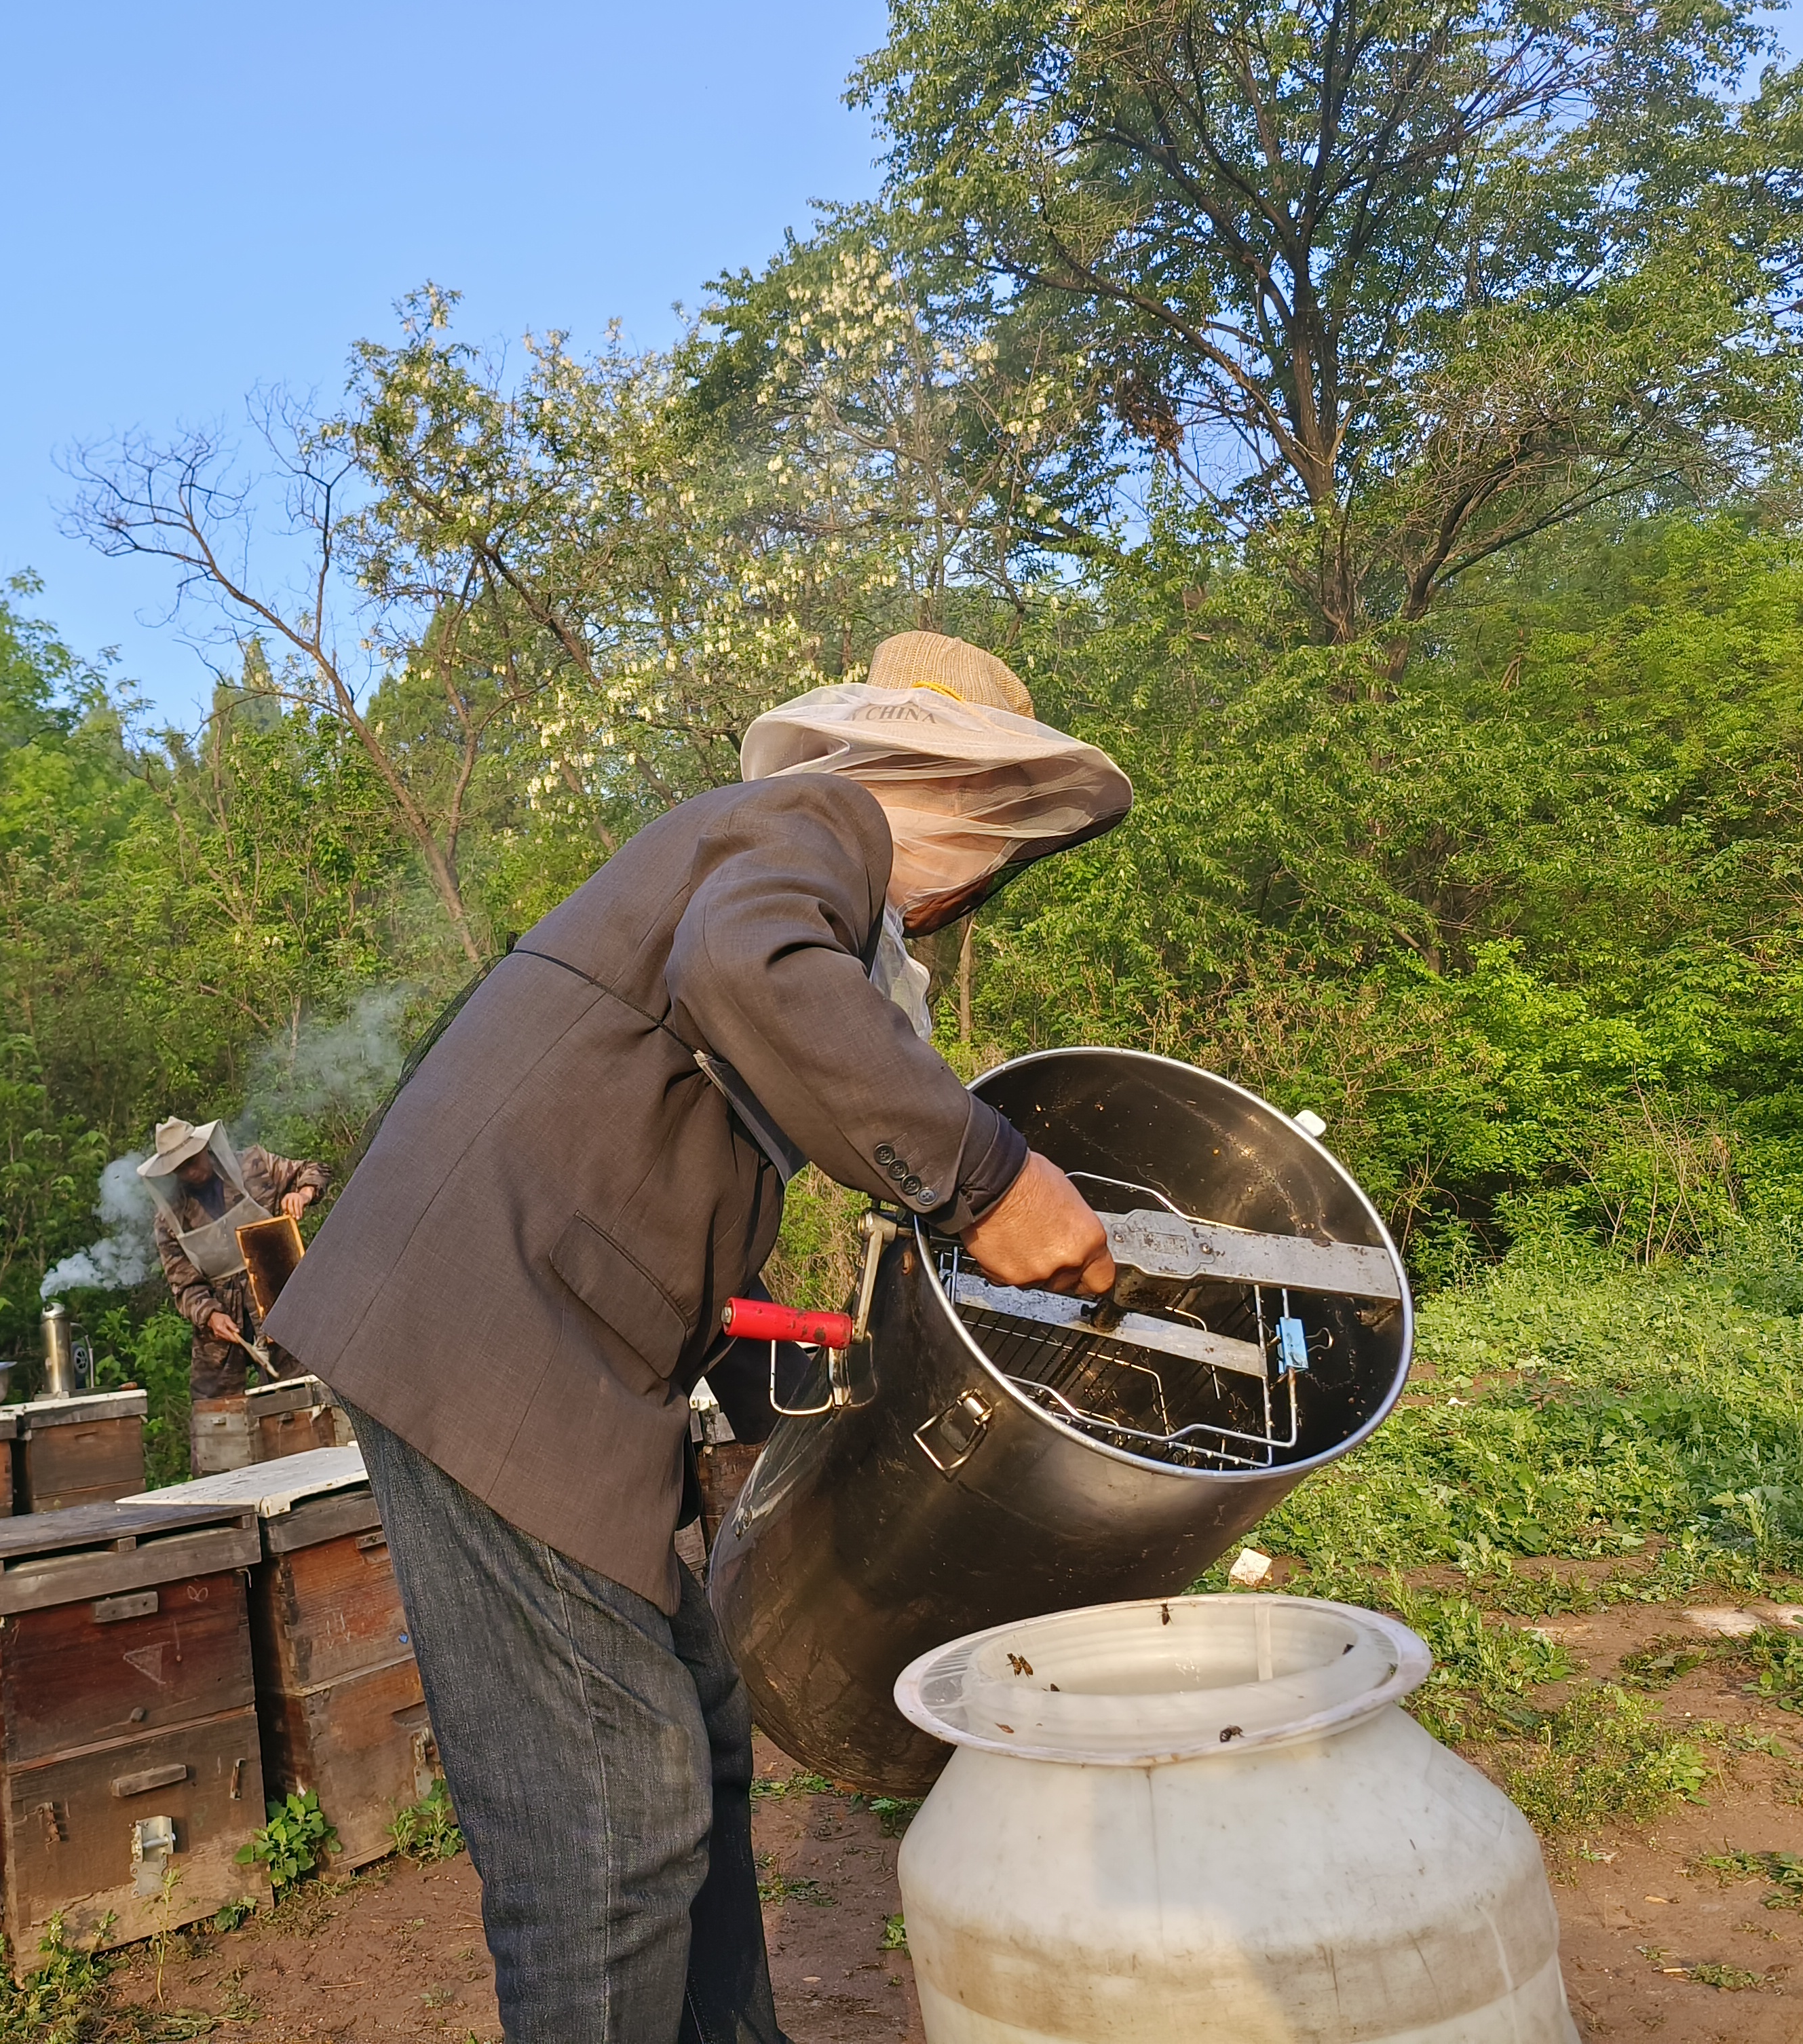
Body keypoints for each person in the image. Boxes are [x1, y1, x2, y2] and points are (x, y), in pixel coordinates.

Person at [263, 632, 1133, 2044]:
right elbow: (750, 970)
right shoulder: (817, 824)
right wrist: (986, 1176)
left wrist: (785, 1398)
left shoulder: (763, 852)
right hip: (492, 1342)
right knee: (608, 1815)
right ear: (968, 816)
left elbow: (665, 1154)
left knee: (691, 1731)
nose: (976, 898)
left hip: (536, 1337)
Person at [140, 1116, 326, 1458]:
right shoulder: (169, 1217)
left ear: (206, 1150)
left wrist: (303, 1193)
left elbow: (312, 1170)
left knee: (298, 1394)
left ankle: (311, 1467)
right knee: (217, 1415)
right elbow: (184, 1284)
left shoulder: (253, 1164)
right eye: (180, 1169)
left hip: (277, 1287)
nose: (191, 1172)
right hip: (222, 1316)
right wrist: (209, 1315)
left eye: (192, 1162)